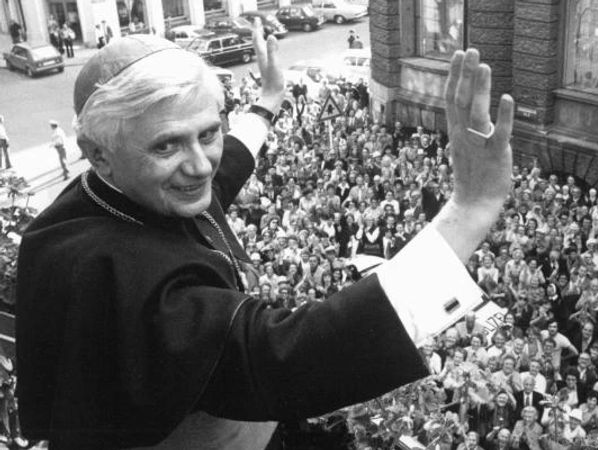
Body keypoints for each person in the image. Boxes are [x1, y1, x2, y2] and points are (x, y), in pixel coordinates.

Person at [16, 20, 516, 449]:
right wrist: (469, 210)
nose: (198, 165)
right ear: (98, 151)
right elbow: (290, 358)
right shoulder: (131, 283)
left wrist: (268, 101)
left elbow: (225, 167)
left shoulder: (117, 191)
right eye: (167, 145)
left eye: (207, 132)